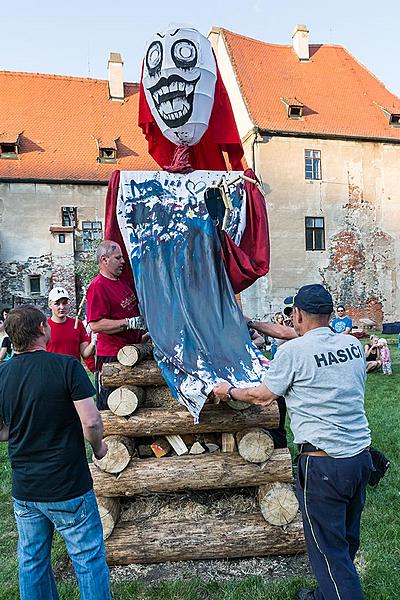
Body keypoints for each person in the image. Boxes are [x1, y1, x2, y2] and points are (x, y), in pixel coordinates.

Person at [214, 284, 372, 600]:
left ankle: (340, 592)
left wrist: (228, 391)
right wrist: (254, 323)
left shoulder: (292, 353)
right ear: (329, 313)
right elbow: (305, 343)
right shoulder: (352, 346)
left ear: (296, 314)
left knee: (328, 552)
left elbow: (261, 396)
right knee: (344, 539)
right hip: (359, 458)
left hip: (323, 465)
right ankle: (326, 594)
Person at [0, 305, 112, 600]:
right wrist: (99, 448)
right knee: (87, 559)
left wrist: (22, 428)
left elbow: (1, 431)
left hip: (26, 489)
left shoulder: (1, 373)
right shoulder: (66, 366)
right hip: (68, 485)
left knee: (32, 560)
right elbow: (91, 420)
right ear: (41, 329)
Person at [86, 240, 145, 409]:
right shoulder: (98, 286)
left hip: (132, 350)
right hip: (112, 355)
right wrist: (129, 323)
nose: (123, 261)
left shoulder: (122, 282)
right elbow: (95, 324)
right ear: (104, 260)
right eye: (118, 258)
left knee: (132, 402)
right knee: (112, 407)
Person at [47, 286, 96, 361]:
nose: (62, 307)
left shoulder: (77, 324)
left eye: (64, 303)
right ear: (50, 304)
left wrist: (93, 342)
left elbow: (85, 354)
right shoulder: (44, 326)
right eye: (57, 304)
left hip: (73, 370)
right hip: (53, 370)